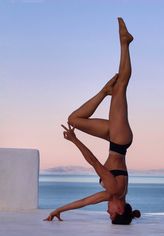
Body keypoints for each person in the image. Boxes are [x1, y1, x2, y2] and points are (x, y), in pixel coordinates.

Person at [44, 17, 141, 225]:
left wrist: (58, 210)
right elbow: (93, 161)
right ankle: (125, 43)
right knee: (121, 86)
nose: (107, 212)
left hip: (114, 139)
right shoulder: (115, 190)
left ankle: (103, 92)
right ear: (120, 209)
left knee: (74, 119)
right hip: (119, 139)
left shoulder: (113, 195)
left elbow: (84, 201)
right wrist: (74, 140)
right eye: (112, 214)